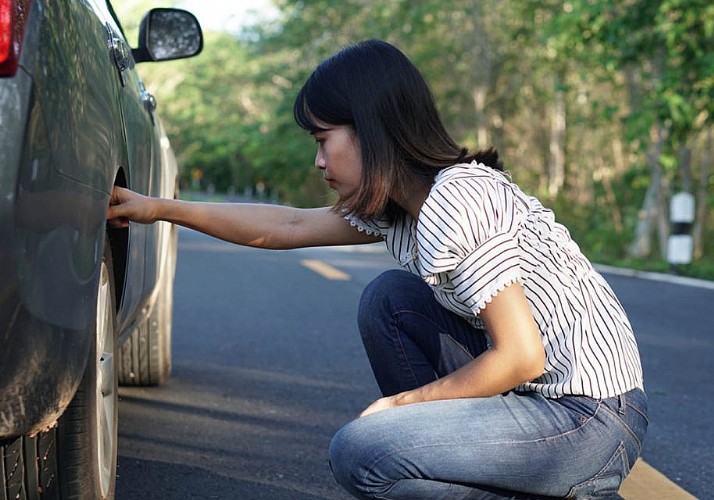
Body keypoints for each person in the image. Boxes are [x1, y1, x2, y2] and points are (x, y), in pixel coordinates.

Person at [108, 39, 647, 499]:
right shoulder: (403, 207)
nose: (318, 161)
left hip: (587, 418)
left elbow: (521, 356)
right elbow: (288, 226)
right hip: (546, 405)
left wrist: (402, 405)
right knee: (391, 300)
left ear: (372, 130)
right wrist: (160, 208)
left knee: (362, 453)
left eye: (323, 141)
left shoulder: (456, 198)